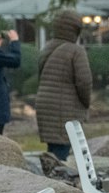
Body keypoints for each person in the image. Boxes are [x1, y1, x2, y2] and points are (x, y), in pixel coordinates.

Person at [33, 9, 93, 161]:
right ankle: (60, 184)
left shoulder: (46, 48)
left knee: (53, 151)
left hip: (45, 106)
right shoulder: (76, 51)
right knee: (63, 157)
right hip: (65, 109)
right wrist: (86, 104)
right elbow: (84, 82)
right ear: (75, 29)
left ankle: (51, 181)